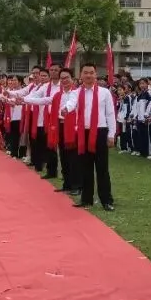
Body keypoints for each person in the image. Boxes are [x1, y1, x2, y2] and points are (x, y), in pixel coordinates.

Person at [62, 63, 117, 210]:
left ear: (95, 74)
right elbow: (71, 103)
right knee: (85, 168)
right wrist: (66, 109)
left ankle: (106, 200)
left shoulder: (104, 92)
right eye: (85, 72)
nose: (88, 75)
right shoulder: (76, 93)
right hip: (83, 133)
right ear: (81, 75)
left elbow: (110, 114)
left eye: (91, 72)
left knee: (102, 168)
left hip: (100, 132)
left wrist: (111, 134)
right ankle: (86, 199)